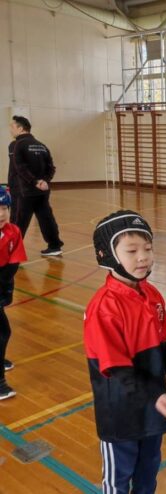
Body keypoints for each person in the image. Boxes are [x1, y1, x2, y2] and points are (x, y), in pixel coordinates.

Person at [84, 210, 166, 494]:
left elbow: (160, 341)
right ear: (106, 254)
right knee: (118, 479)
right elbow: (117, 368)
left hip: (153, 407)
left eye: (148, 248)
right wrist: (155, 395)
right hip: (121, 413)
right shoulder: (104, 307)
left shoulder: (152, 295)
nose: (143, 257)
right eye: (132, 250)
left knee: (148, 472)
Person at [9, 116, 64, 256]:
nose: (10, 130)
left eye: (12, 127)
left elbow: (19, 168)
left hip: (24, 191)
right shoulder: (41, 145)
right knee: (46, 218)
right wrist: (44, 181)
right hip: (42, 191)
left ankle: (11, 252)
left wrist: (35, 182)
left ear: (20, 128)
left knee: (18, 221)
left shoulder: (16, 145)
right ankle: (55, 246)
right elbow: (51, 168)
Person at [0, 186, 27, 400]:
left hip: (2, 283)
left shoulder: (13, 231)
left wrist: (6, 287)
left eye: (5, 208)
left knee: (3, 332)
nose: (1, 213)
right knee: (1, 332)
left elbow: (13, 262)